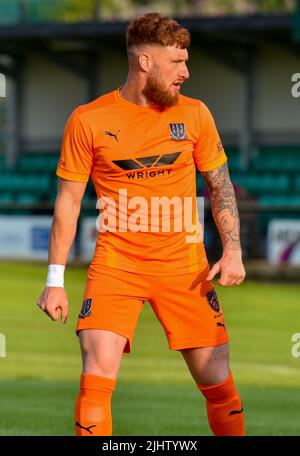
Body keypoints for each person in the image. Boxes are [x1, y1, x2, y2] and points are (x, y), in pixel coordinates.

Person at [37, 12, 246, 437]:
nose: (186, 72)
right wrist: (55, 279)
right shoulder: (88, 120)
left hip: (185, 267)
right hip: (116, 266)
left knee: (217, 382)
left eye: (187, 61)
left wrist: (234, 250)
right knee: (96, 373)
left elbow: (220, 185)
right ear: (146, 62)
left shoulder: (195, 114)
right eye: (177, 62)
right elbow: (68, 203)